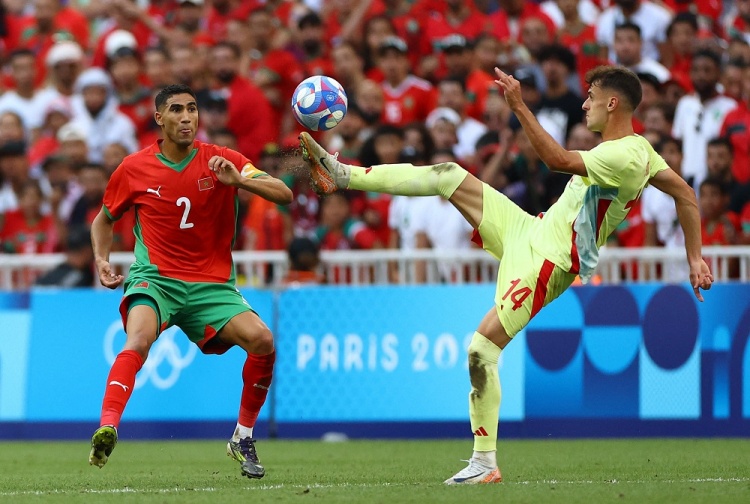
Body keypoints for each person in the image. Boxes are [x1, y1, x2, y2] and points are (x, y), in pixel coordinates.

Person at [298, 65, 713, 484]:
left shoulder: (621, 155)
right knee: (449, 175)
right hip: (528, 230)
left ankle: (484, 462)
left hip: (549, 261)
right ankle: (342, 174)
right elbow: (685, 194)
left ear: (612, 103)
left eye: (591, 96)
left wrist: (518, 105)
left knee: (481, 350)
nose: (584, 104)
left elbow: (556, 160)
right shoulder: (641, 150)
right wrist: (695, 257)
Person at [88, 84, 293, 479]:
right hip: (156, 279)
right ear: (159, 118)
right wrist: (101, 259)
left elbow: (283, 193)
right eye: (176, 109)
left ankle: (243, 436)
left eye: (192, 109)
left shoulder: (222, 160)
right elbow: (103, 220)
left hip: (211, 285)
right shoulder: (133, 168)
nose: (186, 117)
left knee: (263, 340)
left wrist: (240, 181)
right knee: (138, 339)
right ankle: (108, 427)